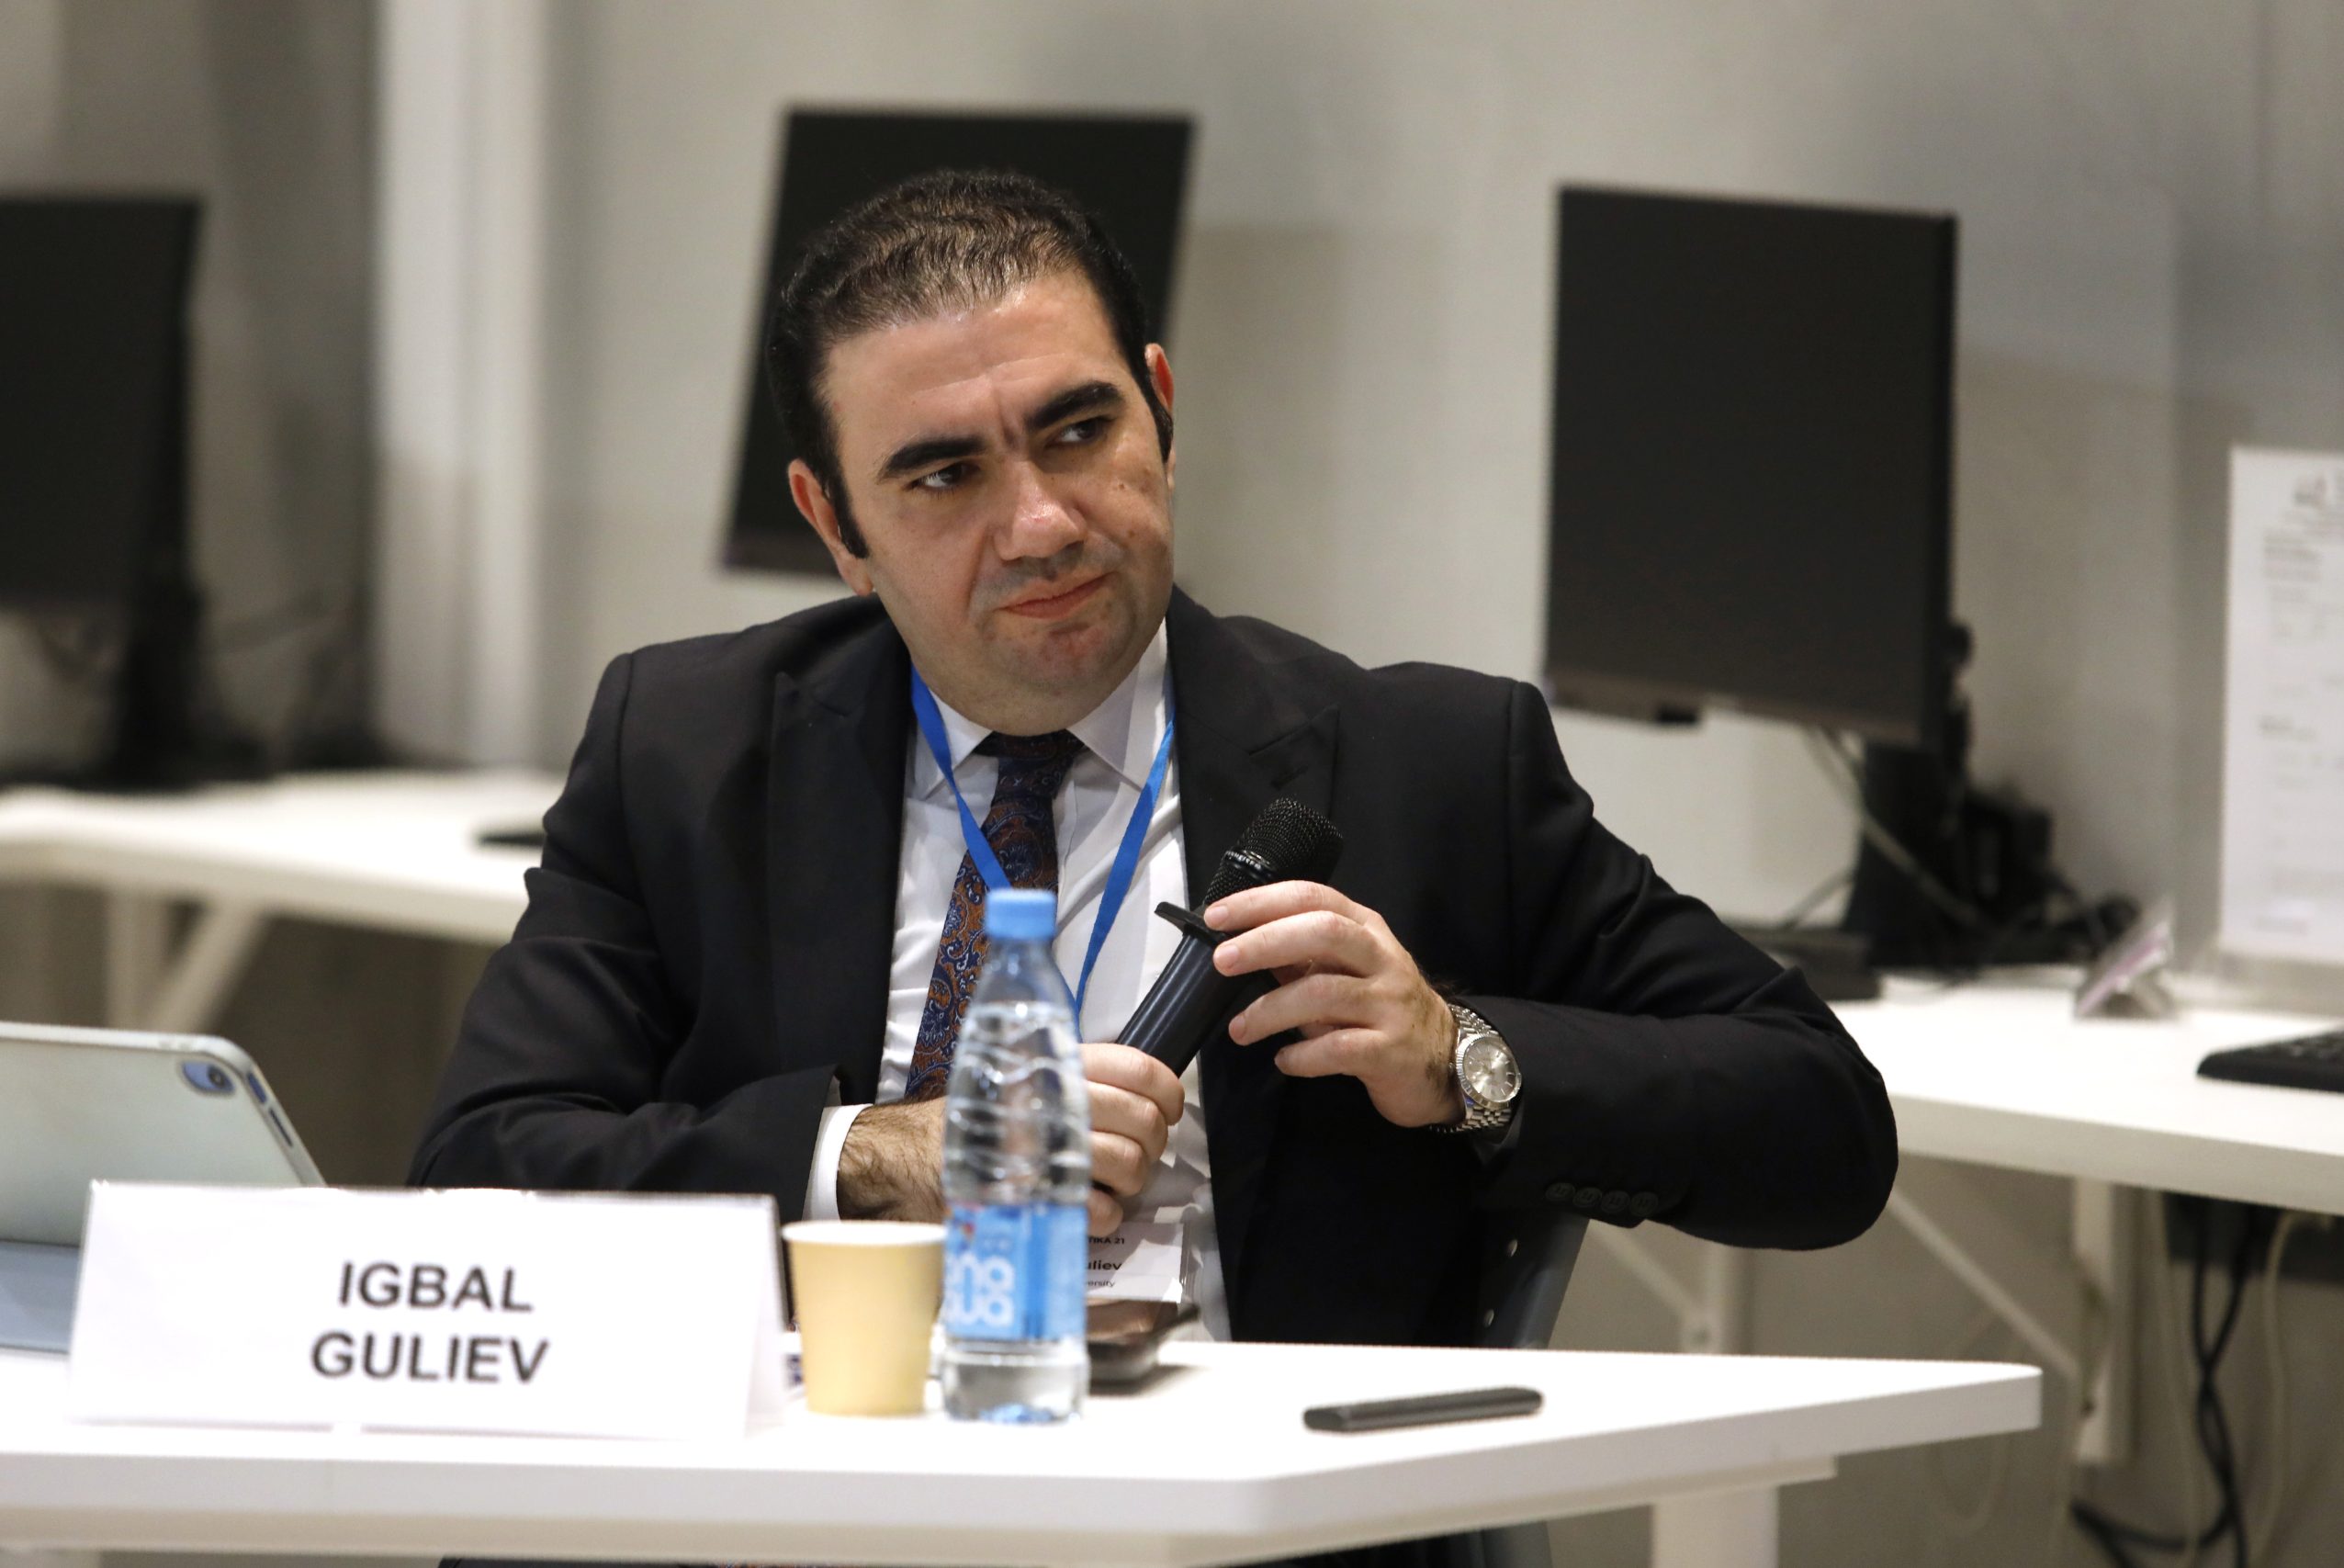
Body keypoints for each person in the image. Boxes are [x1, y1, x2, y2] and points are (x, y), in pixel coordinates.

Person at [411, 169, 1896, 1564]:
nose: (1042, 524)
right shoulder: (687, 749)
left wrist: (1458, 1054)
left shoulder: (1427, 767)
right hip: (809, 1520)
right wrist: (875, 1157)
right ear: (837, 526)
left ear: (1163, 412)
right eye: (943, 475)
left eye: (1077, 432)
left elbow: (1820, 1120)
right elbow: (484, 1170)